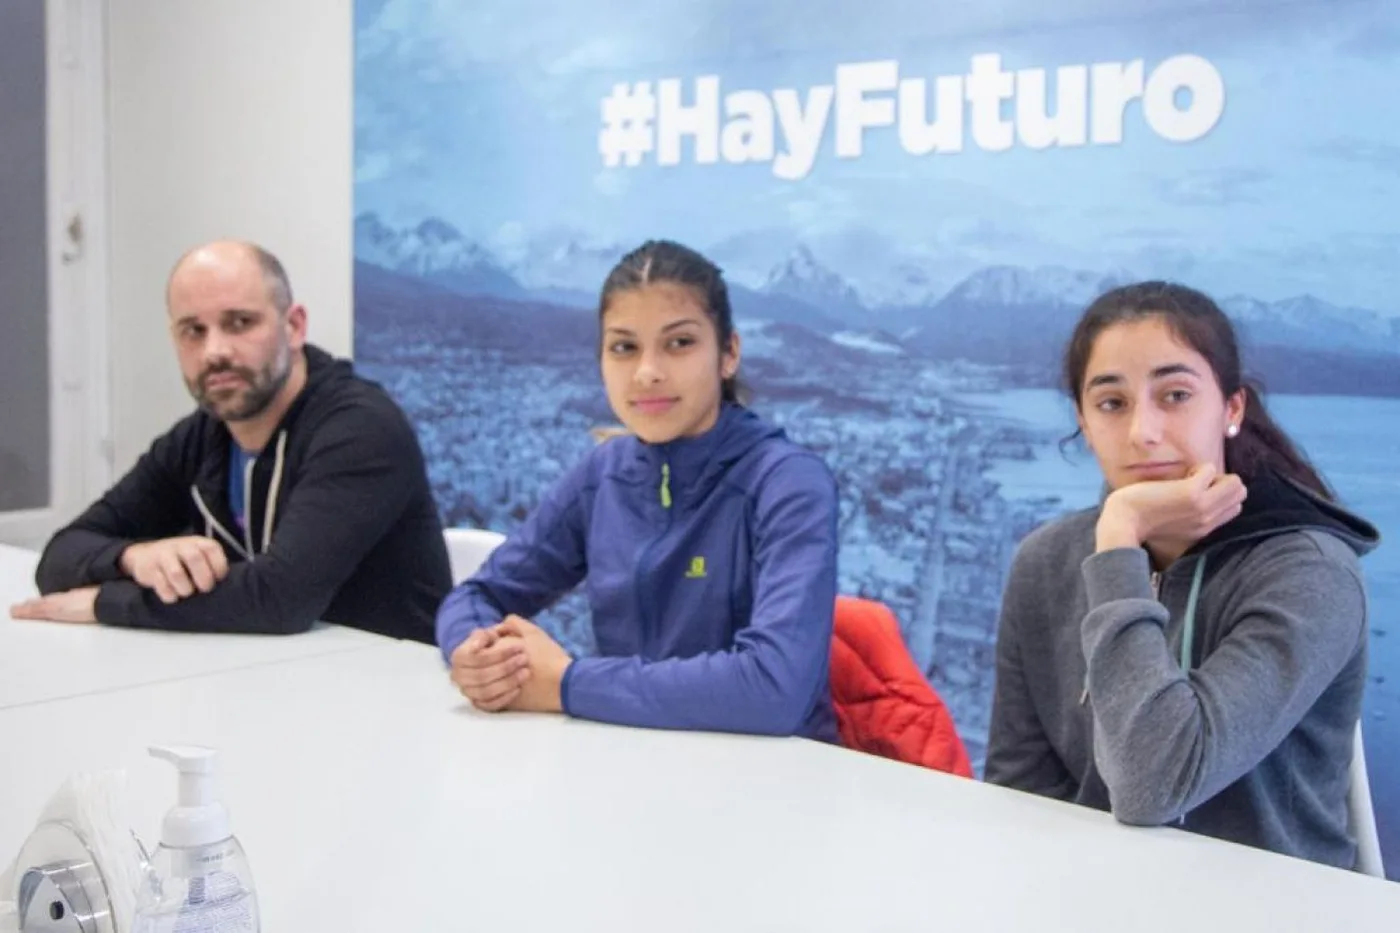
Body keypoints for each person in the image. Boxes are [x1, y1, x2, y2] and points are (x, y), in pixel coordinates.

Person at [985, 280, 1379, 869]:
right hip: (1091, 897)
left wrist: (1119, 535)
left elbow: (1154, 783)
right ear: (1084, 422)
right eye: (1112, 403)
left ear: (1232, 409)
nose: (1144, 431)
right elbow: (1018, 791)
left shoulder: (1310, 571)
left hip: (1276, 907)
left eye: (1174, 395)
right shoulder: (1046, 561)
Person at [437, 239, 840, 740]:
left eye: (679, 343)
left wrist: (566, 683)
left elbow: (774, 689)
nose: (647, 372)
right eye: (624, 347)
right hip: (631, 764)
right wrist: (474, 653)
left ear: (729, 353)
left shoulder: (786, 483)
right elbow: (480, 594)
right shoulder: (604, 474)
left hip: (772, 785)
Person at [9, 240, 452, 643]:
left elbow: (280, 599)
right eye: (193, 331)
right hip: (262, 679)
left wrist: (104, 603)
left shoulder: (359, 428)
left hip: (385, 692)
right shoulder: (205, 434)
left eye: (239, 323)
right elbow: (61, 555)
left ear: (294, 326)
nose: (214, 351)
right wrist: (135, 557)